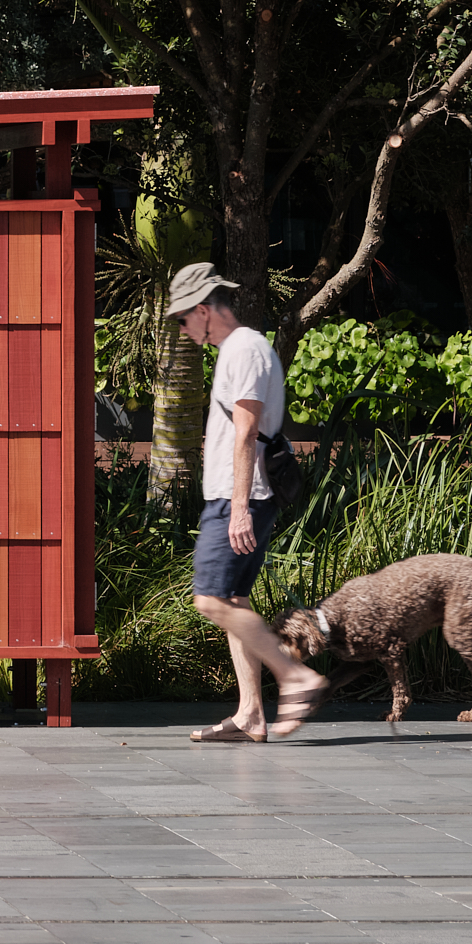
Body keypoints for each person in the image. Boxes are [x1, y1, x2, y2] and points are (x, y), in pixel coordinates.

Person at [176, 263, 326, 742]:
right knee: (234, 599)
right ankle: (251, 716)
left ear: (204, 311)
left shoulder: (243, 349)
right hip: (238, 494)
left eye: (183, 319)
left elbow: (246, 432)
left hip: (236, 496)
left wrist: (239, 506)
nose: (182, 329)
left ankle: (294, 675)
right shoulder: (238, 350)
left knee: (210, 599)